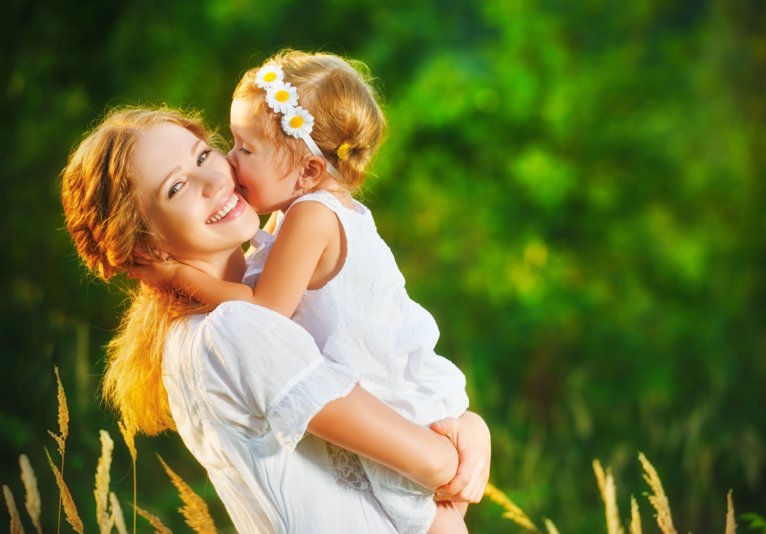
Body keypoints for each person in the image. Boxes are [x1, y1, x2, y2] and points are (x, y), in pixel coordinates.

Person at [60, 107, 490, 534]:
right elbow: (436, 466)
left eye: (203, 155)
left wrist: (469, 427)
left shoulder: (243, 299)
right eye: (176, 187)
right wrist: (465, 437)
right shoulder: (232, 328)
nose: (213, 181)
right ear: (146, 249)